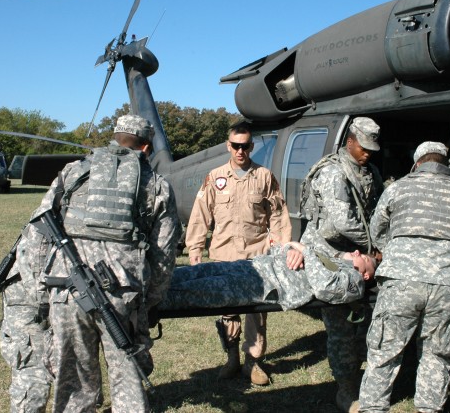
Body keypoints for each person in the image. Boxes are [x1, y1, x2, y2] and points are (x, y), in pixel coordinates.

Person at [34, 114, 181, 412]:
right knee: (127, 378)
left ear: (115, 139)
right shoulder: (155, 185)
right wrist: (149, 302)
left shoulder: (72, 172)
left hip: (66, 291)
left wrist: (41, 292)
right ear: (146, 149)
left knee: (74, 382)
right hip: (121, 296)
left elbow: (39, 231)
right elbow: (164, 255)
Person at [357, 141, 450, 413]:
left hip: (401, 280)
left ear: (417, 163)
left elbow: (377, 232)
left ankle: (373, 409)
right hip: (447, 282)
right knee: (437, 355)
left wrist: (397, 254)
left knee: (384, 352)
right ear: (445, 164)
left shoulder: (397, 188)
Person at [185, 125, 291, 385]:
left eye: (245, 145)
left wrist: (281, 248)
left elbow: (278, 215)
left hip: (257, 256)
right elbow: (200, 215)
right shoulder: (215, 177)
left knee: (257, 311)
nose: (240, 150)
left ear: (251, 146)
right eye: (235, 145)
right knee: (227, 311)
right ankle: (231, 357)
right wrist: (195, 249)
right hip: (224, 254)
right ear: (228, 145)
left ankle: (253, 362)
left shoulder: (264, 176)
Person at [299, 116, 383, 412]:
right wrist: (374, 248)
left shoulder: (369, 171)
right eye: (364, 147)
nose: (368, 153)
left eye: (372, 148)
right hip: (330, 257)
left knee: (365, 325)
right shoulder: (333, 173)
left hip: (358, 256)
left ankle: (362, 380)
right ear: (350, 141)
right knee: (340, 328)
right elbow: (343, 221)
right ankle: (346, 391)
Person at [160, 242, 376, 312]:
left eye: (364, 258)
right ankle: (149, 284)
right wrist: (293, 249)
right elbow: (285, 247)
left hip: (265, 285)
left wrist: (304, 250)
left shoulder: (353, 282)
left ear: (366, 275)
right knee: (195, 272)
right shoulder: (333, 258)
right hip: (255, 266)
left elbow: (324, 287)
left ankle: (146, 301)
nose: (358, 253)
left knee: (197, 290)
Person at [0, 223, 53, 413]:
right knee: (34, 371)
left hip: (64, 290)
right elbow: (30, 260)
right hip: (29, 292)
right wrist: (46, 303)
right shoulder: (55, 206)